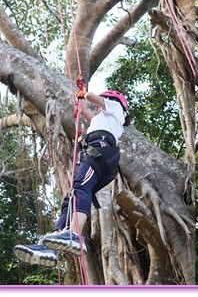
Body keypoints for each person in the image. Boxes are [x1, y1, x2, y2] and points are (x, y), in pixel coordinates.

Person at [14, 90, 130, 267]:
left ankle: (74, 235)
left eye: (102, 103)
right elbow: (84, 108)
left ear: (110, 100)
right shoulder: (102, 120)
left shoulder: (115, 108)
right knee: (72, 196)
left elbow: (91, 97)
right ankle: (51, 245)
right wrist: (80, 98)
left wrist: (85, 92)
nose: (98, 109)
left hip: (100, 152)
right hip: (95, 153)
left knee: (81, 188)